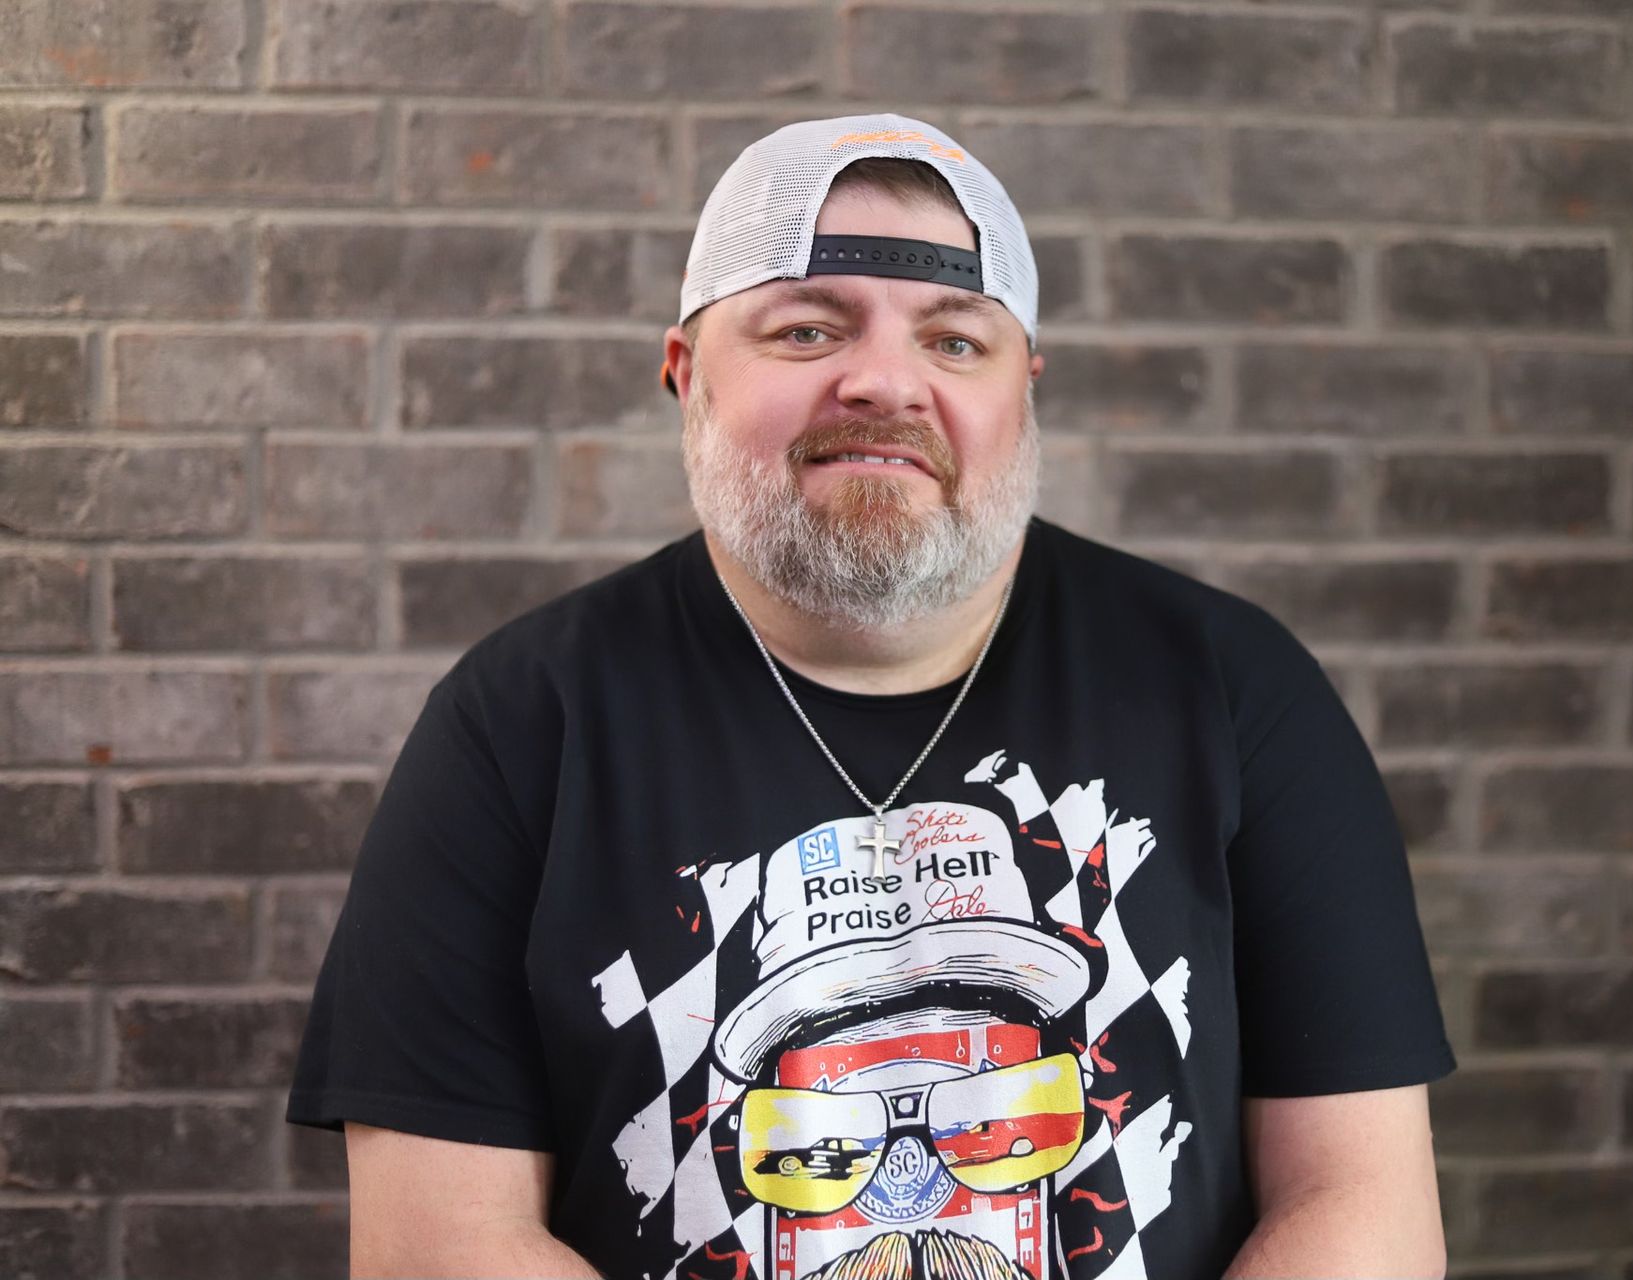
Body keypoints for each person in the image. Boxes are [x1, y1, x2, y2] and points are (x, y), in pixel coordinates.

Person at [287, 113, 1455, 1280]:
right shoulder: (521, 724)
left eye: (955, 343)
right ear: (687, 376)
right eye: (806, 328)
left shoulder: (1235, 690)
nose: (886, 381)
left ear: (1023, 392)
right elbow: (439, 1244)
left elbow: (1362, 1206)